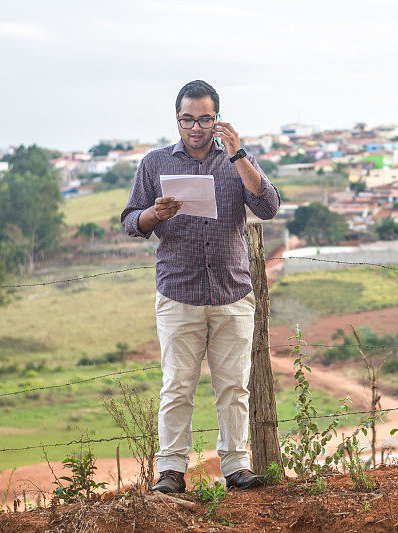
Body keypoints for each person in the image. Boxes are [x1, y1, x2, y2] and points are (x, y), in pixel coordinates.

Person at [121, 80, 281, 492]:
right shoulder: (154, 163)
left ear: (217, 119)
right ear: (176, 120)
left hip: (232, 290)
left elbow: (268, 206)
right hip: (179, 291)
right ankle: (171, 471)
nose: (196, 127)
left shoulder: (236, 160)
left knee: (234, 386)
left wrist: (239, 154)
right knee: (178, 385)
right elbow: (129, 223)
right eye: (187, 119)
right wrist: (154, 214)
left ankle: (236, 468)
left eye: (204, 119)